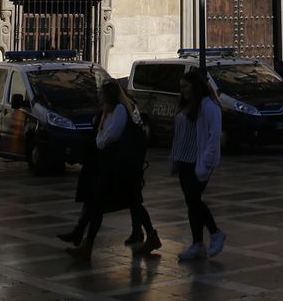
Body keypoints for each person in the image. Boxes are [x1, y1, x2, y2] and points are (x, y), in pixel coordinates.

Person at [61, 79, 159, 259]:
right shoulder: (109, 110)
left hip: (120, 166)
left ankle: (85, 242)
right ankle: (86, 243)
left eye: (102, 94)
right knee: (106, 204)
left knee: (129, 203)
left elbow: (112, 134)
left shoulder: (120, 109)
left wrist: (100, 141)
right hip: (113, 164)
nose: (99, 97)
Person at [170, 69, 225, 261]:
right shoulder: (186, 105)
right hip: (184, 160)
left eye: (185, 86)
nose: (183, 90)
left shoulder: (209, 107)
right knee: (190, 202)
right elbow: (179, 136)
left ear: (196, 86)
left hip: (199, 161)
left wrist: (207, 162)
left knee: (194, 199)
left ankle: (215, 233)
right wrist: (174, 159)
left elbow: (214, 136)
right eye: (181, 87)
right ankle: (197, 243)